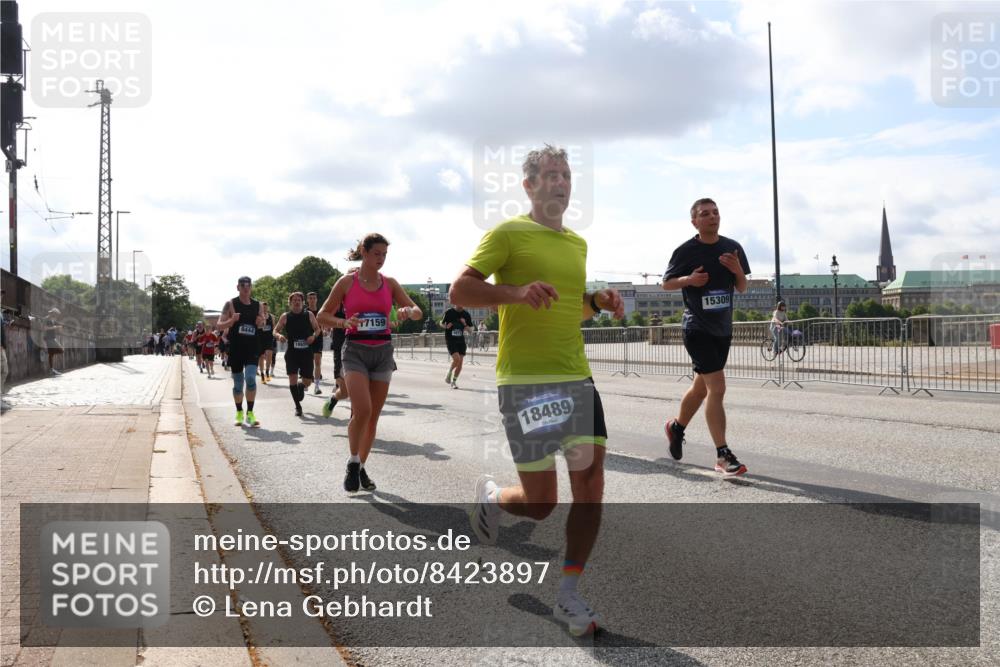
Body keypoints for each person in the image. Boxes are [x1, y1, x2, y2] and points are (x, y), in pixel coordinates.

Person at [449, 145, 623, 637]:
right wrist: (514, 292)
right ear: (528, 185)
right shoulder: (507, 234)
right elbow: (459, 291)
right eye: (550, 175)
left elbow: (565, 309)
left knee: (590, 485)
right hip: (525, 382)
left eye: (566, 175)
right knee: (542, 502)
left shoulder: (577, 244)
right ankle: (494, 497)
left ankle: (569, 595)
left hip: (576, 376)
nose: (561, 183)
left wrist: (596, 301)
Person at [317, 233, 422, 493]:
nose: (381, 259)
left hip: (382, 352)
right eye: (377, 254)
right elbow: (322, 315)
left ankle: (361, 466)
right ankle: (353, 462)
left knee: (373, 417)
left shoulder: (391, 283)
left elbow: (416, 311)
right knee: (361, 410)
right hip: (355, 351)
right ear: (364, 252)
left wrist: (410, 311)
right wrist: (343, 322)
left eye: (385, 255)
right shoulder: (346, 283)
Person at [661, 197, 751, 477]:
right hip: (696, 328)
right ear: (694, 221)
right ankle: (723, 455)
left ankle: (676, 427)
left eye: (715, 212)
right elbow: (666, 284)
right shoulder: (686, 251)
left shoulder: (732, 247)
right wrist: (689, 280)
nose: (712, 217)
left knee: (701, 388)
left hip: (722, 329)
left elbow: (743, 287)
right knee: (718, 388)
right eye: (705, 214)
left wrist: (736, 270)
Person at [215, 276, 266, 427]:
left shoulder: (258, 305)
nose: (246, 287)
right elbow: (219, 325)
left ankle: (250, 413)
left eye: (248, 285)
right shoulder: (230, 304)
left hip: (252, 348)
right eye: (243, 285)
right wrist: (231, 321)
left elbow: (262, 323)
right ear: (238, 287)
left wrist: (260, 322)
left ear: (251, 287)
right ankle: (239, 412)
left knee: (250, 379)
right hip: (236, 349)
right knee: (238, 384)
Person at [274, 292, 322, 416]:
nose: (296, 302)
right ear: (290, 303)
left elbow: (317, 329)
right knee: (292, 379)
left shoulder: (309, 314)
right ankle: (298, 407)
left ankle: (301, 386)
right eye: (294, 300)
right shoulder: (285, 316)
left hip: (306, 352)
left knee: (307, 382)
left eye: (299, 300)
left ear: (302, 302)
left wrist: (313, 336)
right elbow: (275, 330)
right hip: (292, 353)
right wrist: (279, 336)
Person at [321, 303, 349, 418]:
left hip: (358, 345)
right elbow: (324, 318)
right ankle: (334, 398)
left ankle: (357, 422)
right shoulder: (336, 304)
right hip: (339, 345)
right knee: (344, 389)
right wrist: (330, 326)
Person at [441, 304, 473, 388]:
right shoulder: (449, 312)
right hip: (450, 340)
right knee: (457, 359)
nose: (462, 304)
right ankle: (449, 372)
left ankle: (454, 382)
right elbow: (441, 323)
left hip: (461, 341)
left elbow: (471, 331)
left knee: (460, 363)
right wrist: (446, 326)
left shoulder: (466, 314)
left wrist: (465, 324)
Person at [307, 292, 326, 395]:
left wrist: (326, 329)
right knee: (308, 362)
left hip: (318, 339)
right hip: (307, 339)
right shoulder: (305, 312)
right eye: (310, 298)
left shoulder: (320, 312)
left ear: (317, 299)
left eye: (314, 298)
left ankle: (317, 386)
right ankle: (306, 380)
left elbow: (324, 323)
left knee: (317, 362)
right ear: (307, 300)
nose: (312, 300)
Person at [258, 302, 276, 383]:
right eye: (263, 307)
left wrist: (276, 335)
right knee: (261, 357)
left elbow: (274, 327)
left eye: (266, 307)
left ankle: (267, 371)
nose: (265, 309)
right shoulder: (258, 317)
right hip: (260, 339)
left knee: (269, 355)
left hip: (269, 339)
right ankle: (262, 374)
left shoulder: (272, 317)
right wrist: (262, 323)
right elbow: (257, 327)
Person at [43, 308, 64, 375]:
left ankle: (51, 370)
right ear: (53, 313)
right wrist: (56, 327)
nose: (56, 316)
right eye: (56, 314)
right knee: (59, 351)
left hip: (52, 338)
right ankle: (51, 370)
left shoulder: (52, 320)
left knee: (57, 351)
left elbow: (55, 327)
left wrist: (59, 328)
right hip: (49, 338)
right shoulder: (46, 319)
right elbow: (45, 328)